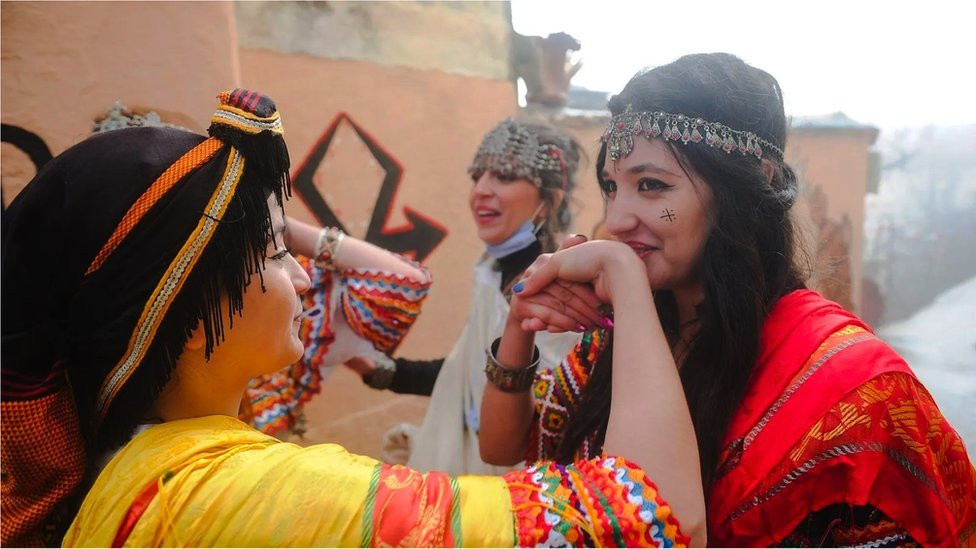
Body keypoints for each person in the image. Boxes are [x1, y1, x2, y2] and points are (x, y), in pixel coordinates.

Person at [1, 89, 705, 547]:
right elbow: (651, 517)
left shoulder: (141, 459)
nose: (306, 273)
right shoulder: (237, 492)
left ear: (548, 198)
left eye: (649, 187)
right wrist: (623, 275)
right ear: (181, 303)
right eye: (277, 253)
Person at [479, 53, 976, 547]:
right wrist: (520, 325)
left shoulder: (856, 387)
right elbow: (502, 447)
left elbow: (652, 525)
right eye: (613, 187)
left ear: (743, 191)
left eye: (652, 186)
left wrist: (624, 279)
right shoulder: (626, 330)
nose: (618, 218)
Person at [345, 119, 585, 474]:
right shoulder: (490, 272)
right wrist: (382, 371)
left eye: (504, 176)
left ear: (550, 201)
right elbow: (471, 374)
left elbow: (540, 418)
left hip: (522, 501)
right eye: (477, 177)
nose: (481, 191)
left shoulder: (561, 294)